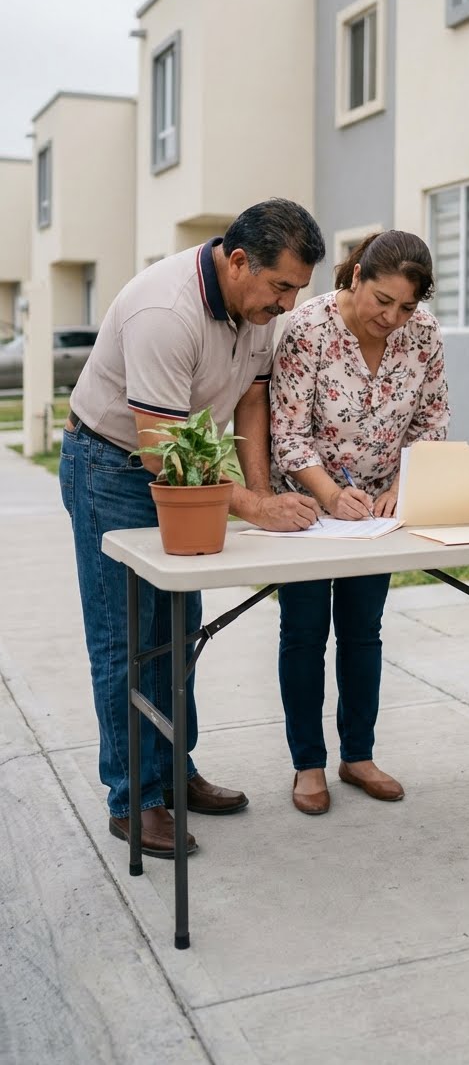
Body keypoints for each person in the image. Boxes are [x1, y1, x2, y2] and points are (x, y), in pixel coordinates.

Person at [60, 199, 326, 857]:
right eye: (282, 287)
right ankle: (135, 799)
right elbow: (159, 449)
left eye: (298, 288)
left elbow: (250, 398)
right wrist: (253, 508)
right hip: (111, 465)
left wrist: (261, 493)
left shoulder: (254, 306)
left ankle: (174, 773)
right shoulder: (165, 310)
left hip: (186, 463)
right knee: (127, 636)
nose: (289, 304)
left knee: (179, 629)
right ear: (239, 262)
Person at [270, 230, 450, 815]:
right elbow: (287, 433)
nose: (393, 317)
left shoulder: (422, 336)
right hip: (306, 508)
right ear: (353, 278)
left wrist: (404, 485)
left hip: (375, 514)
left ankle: (358, 755)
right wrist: (327, 493)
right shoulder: (308, 329)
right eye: (383, 301)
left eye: (407, 306)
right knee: (303, 634)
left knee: (362, 632)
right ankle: (307, 764)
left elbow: (431, 422)